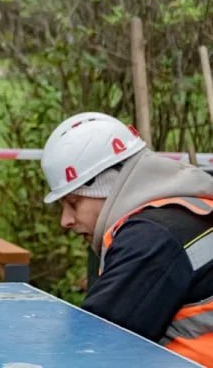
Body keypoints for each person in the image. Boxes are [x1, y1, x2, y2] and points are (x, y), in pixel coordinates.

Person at [41, 111, 213, 365]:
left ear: (107, 188)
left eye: (73, 202)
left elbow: (90, 350)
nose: (65, 220)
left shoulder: (151, 241)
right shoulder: (191, 205)